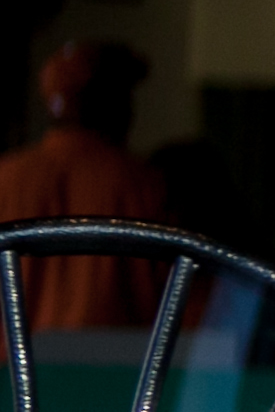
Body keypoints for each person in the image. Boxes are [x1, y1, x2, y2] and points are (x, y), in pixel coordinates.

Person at [0, 41, 168, 329]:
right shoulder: (145, 184)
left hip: (10, 359)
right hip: (124, 359)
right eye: (124, 93)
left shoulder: (6, 176)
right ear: (109, 101)